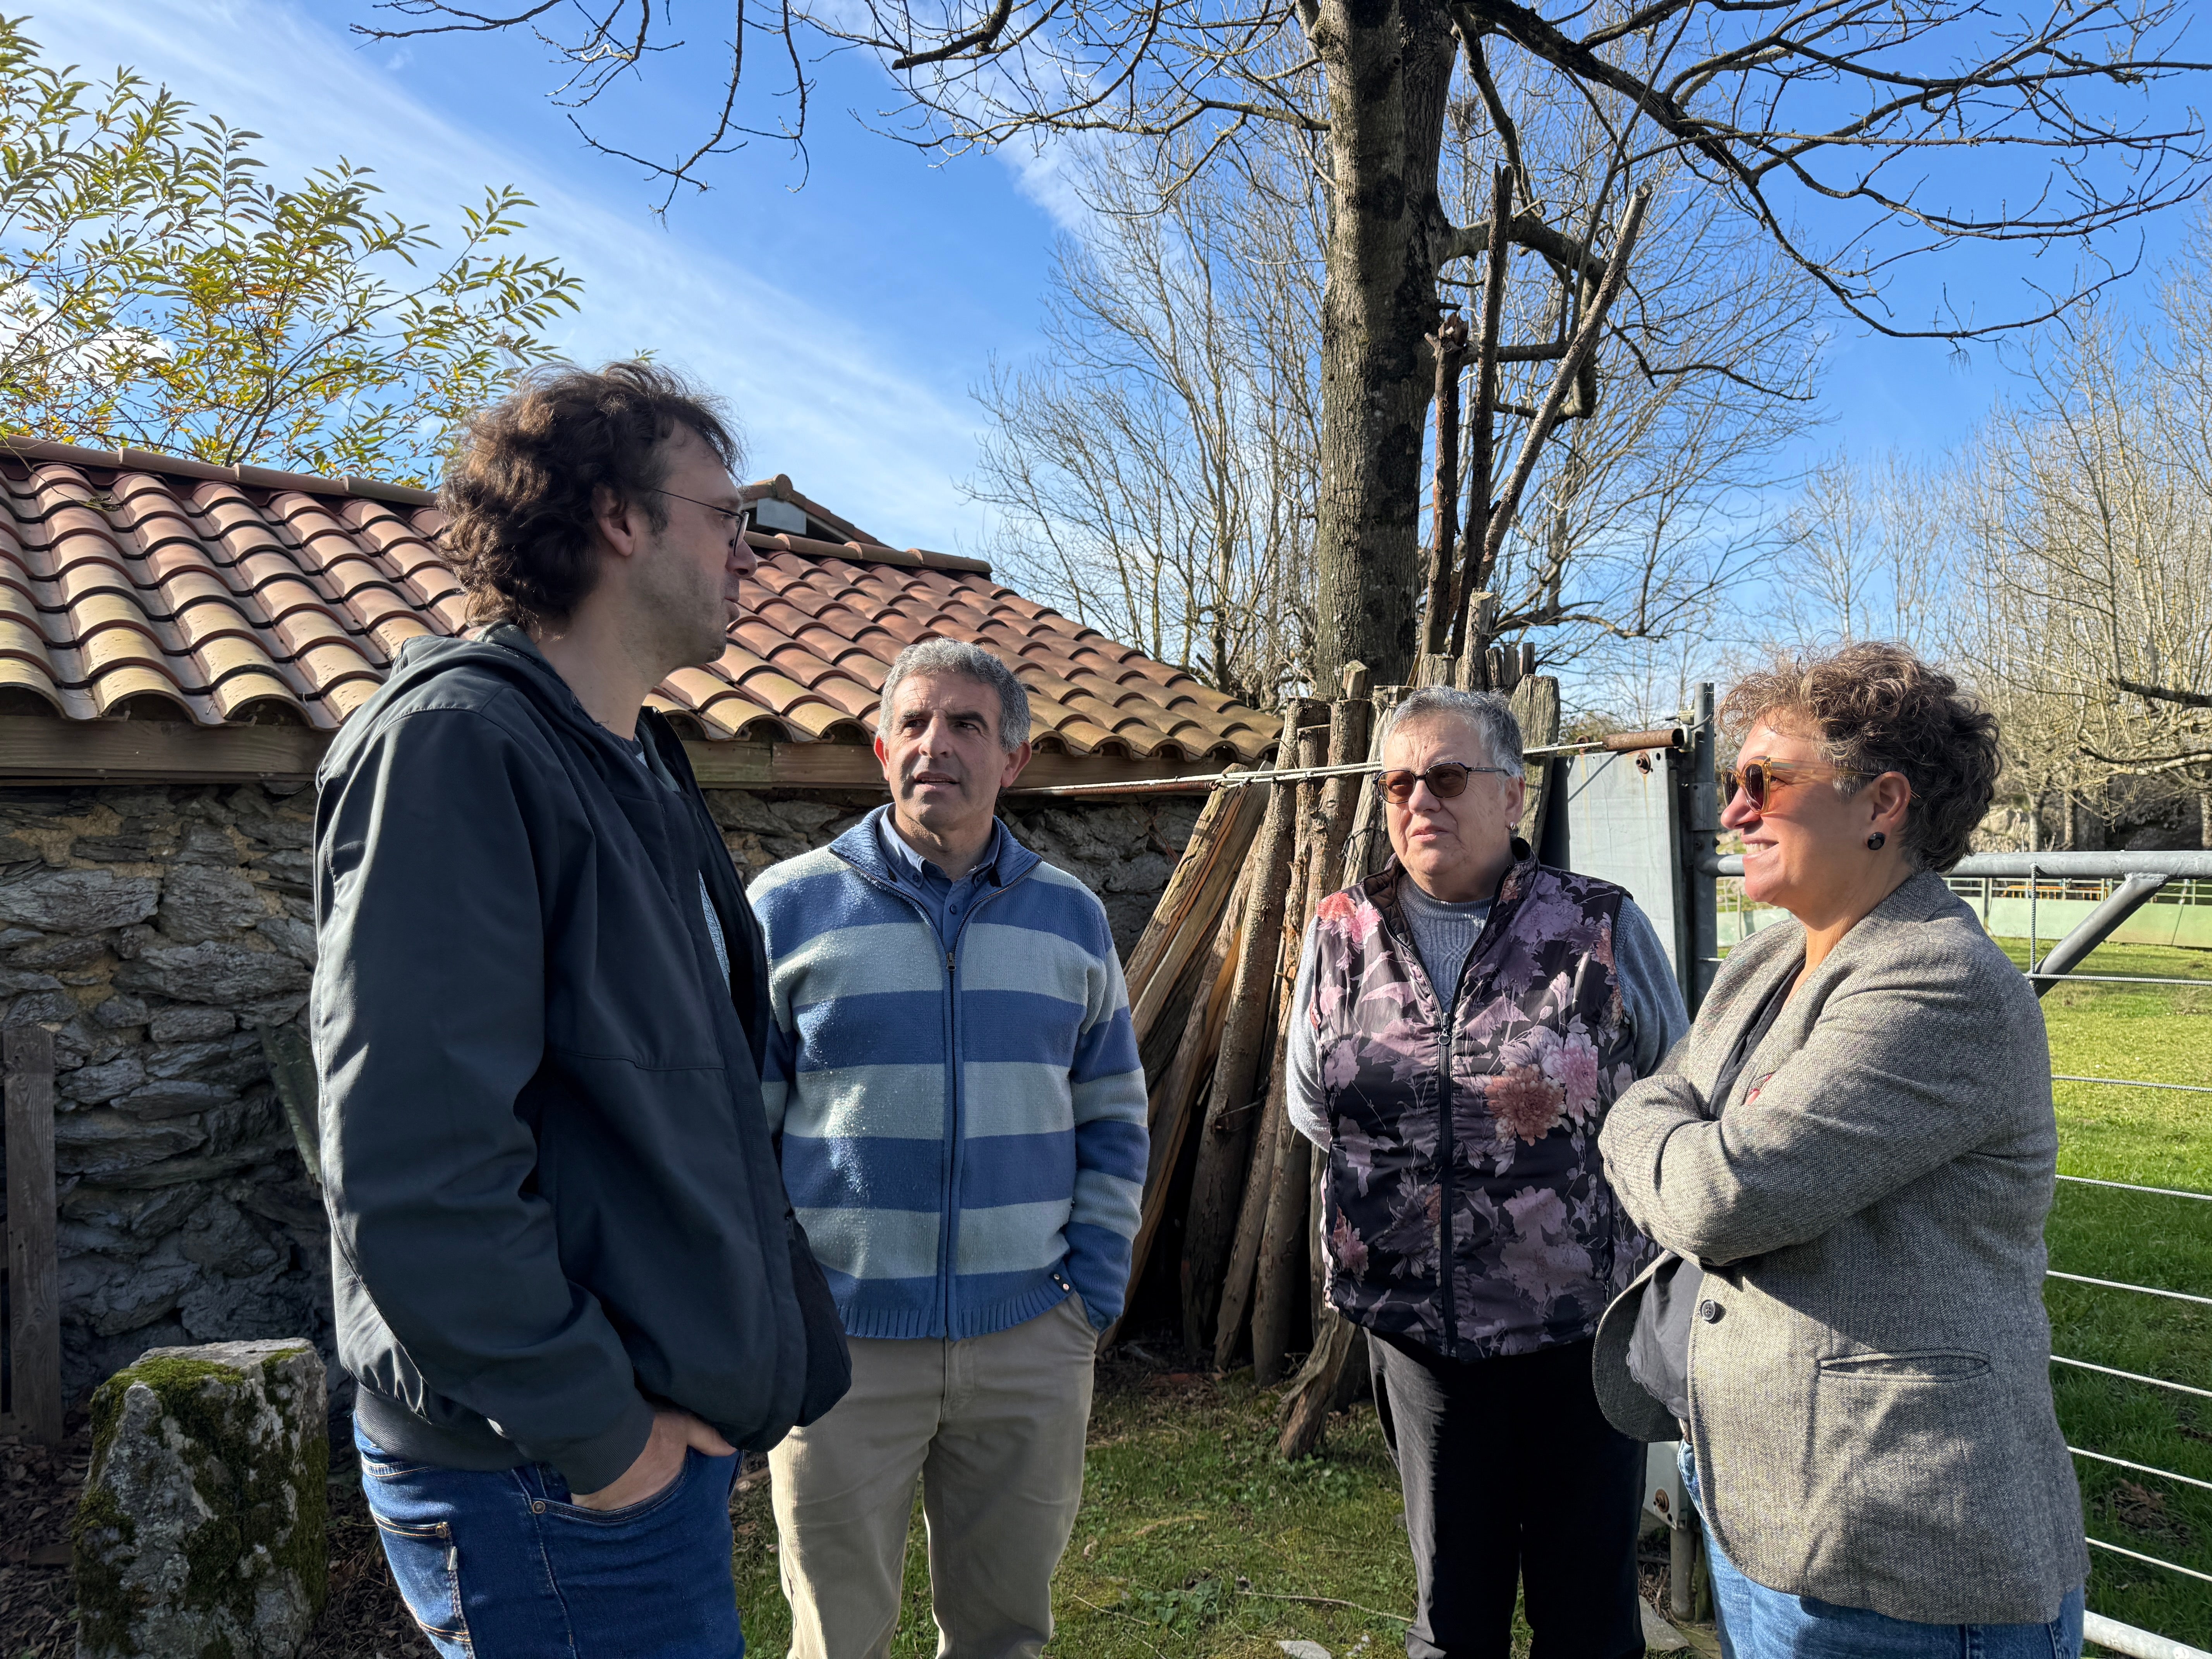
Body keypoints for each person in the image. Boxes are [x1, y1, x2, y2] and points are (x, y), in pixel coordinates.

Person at [312, 362, 848, 1658]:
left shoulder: (632, 760)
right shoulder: (458, 745)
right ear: (619, 516)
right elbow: (418, 1164)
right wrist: (609, 1444)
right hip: (545, 1480)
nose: (751, 554)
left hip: (606, 1464)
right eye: (727, 518)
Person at [1593, 641, 2087, 1658]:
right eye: (1734, 782)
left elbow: (1720, 1190)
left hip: (1906, 1563)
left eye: (1766, 782)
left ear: (1881, 803)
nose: (1735, 811)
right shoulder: (1774, 955)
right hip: (1780, 1517)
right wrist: (1664, 1118)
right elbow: (1671, 1103)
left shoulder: (1937, 985)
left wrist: (1634, 1122)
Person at [749, 637, 1148, 1659]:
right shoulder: (788, 909)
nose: (938, 744)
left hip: (1029, 1338)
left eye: (967, 723)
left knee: (1006, 1631)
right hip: (840, 1349)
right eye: (915, 723)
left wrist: (1088, 1296)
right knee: (838, 1636)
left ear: (1012, 758)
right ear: (881, 749)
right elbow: (732, 1139)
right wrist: (778, 1302)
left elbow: (1113, 1114)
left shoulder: (1071, 917)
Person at [1287, 685, 1690, 1659]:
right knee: (1453, 1612)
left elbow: (1673, 1084)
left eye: (1447, 775)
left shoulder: (1597, 927)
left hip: (1580, 1337)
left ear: (1514, 795)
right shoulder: (1343, 932)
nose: (1417, 799)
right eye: (1396, 784)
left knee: (1587, 1616)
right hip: (1419, 1338)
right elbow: (1311, 1101)